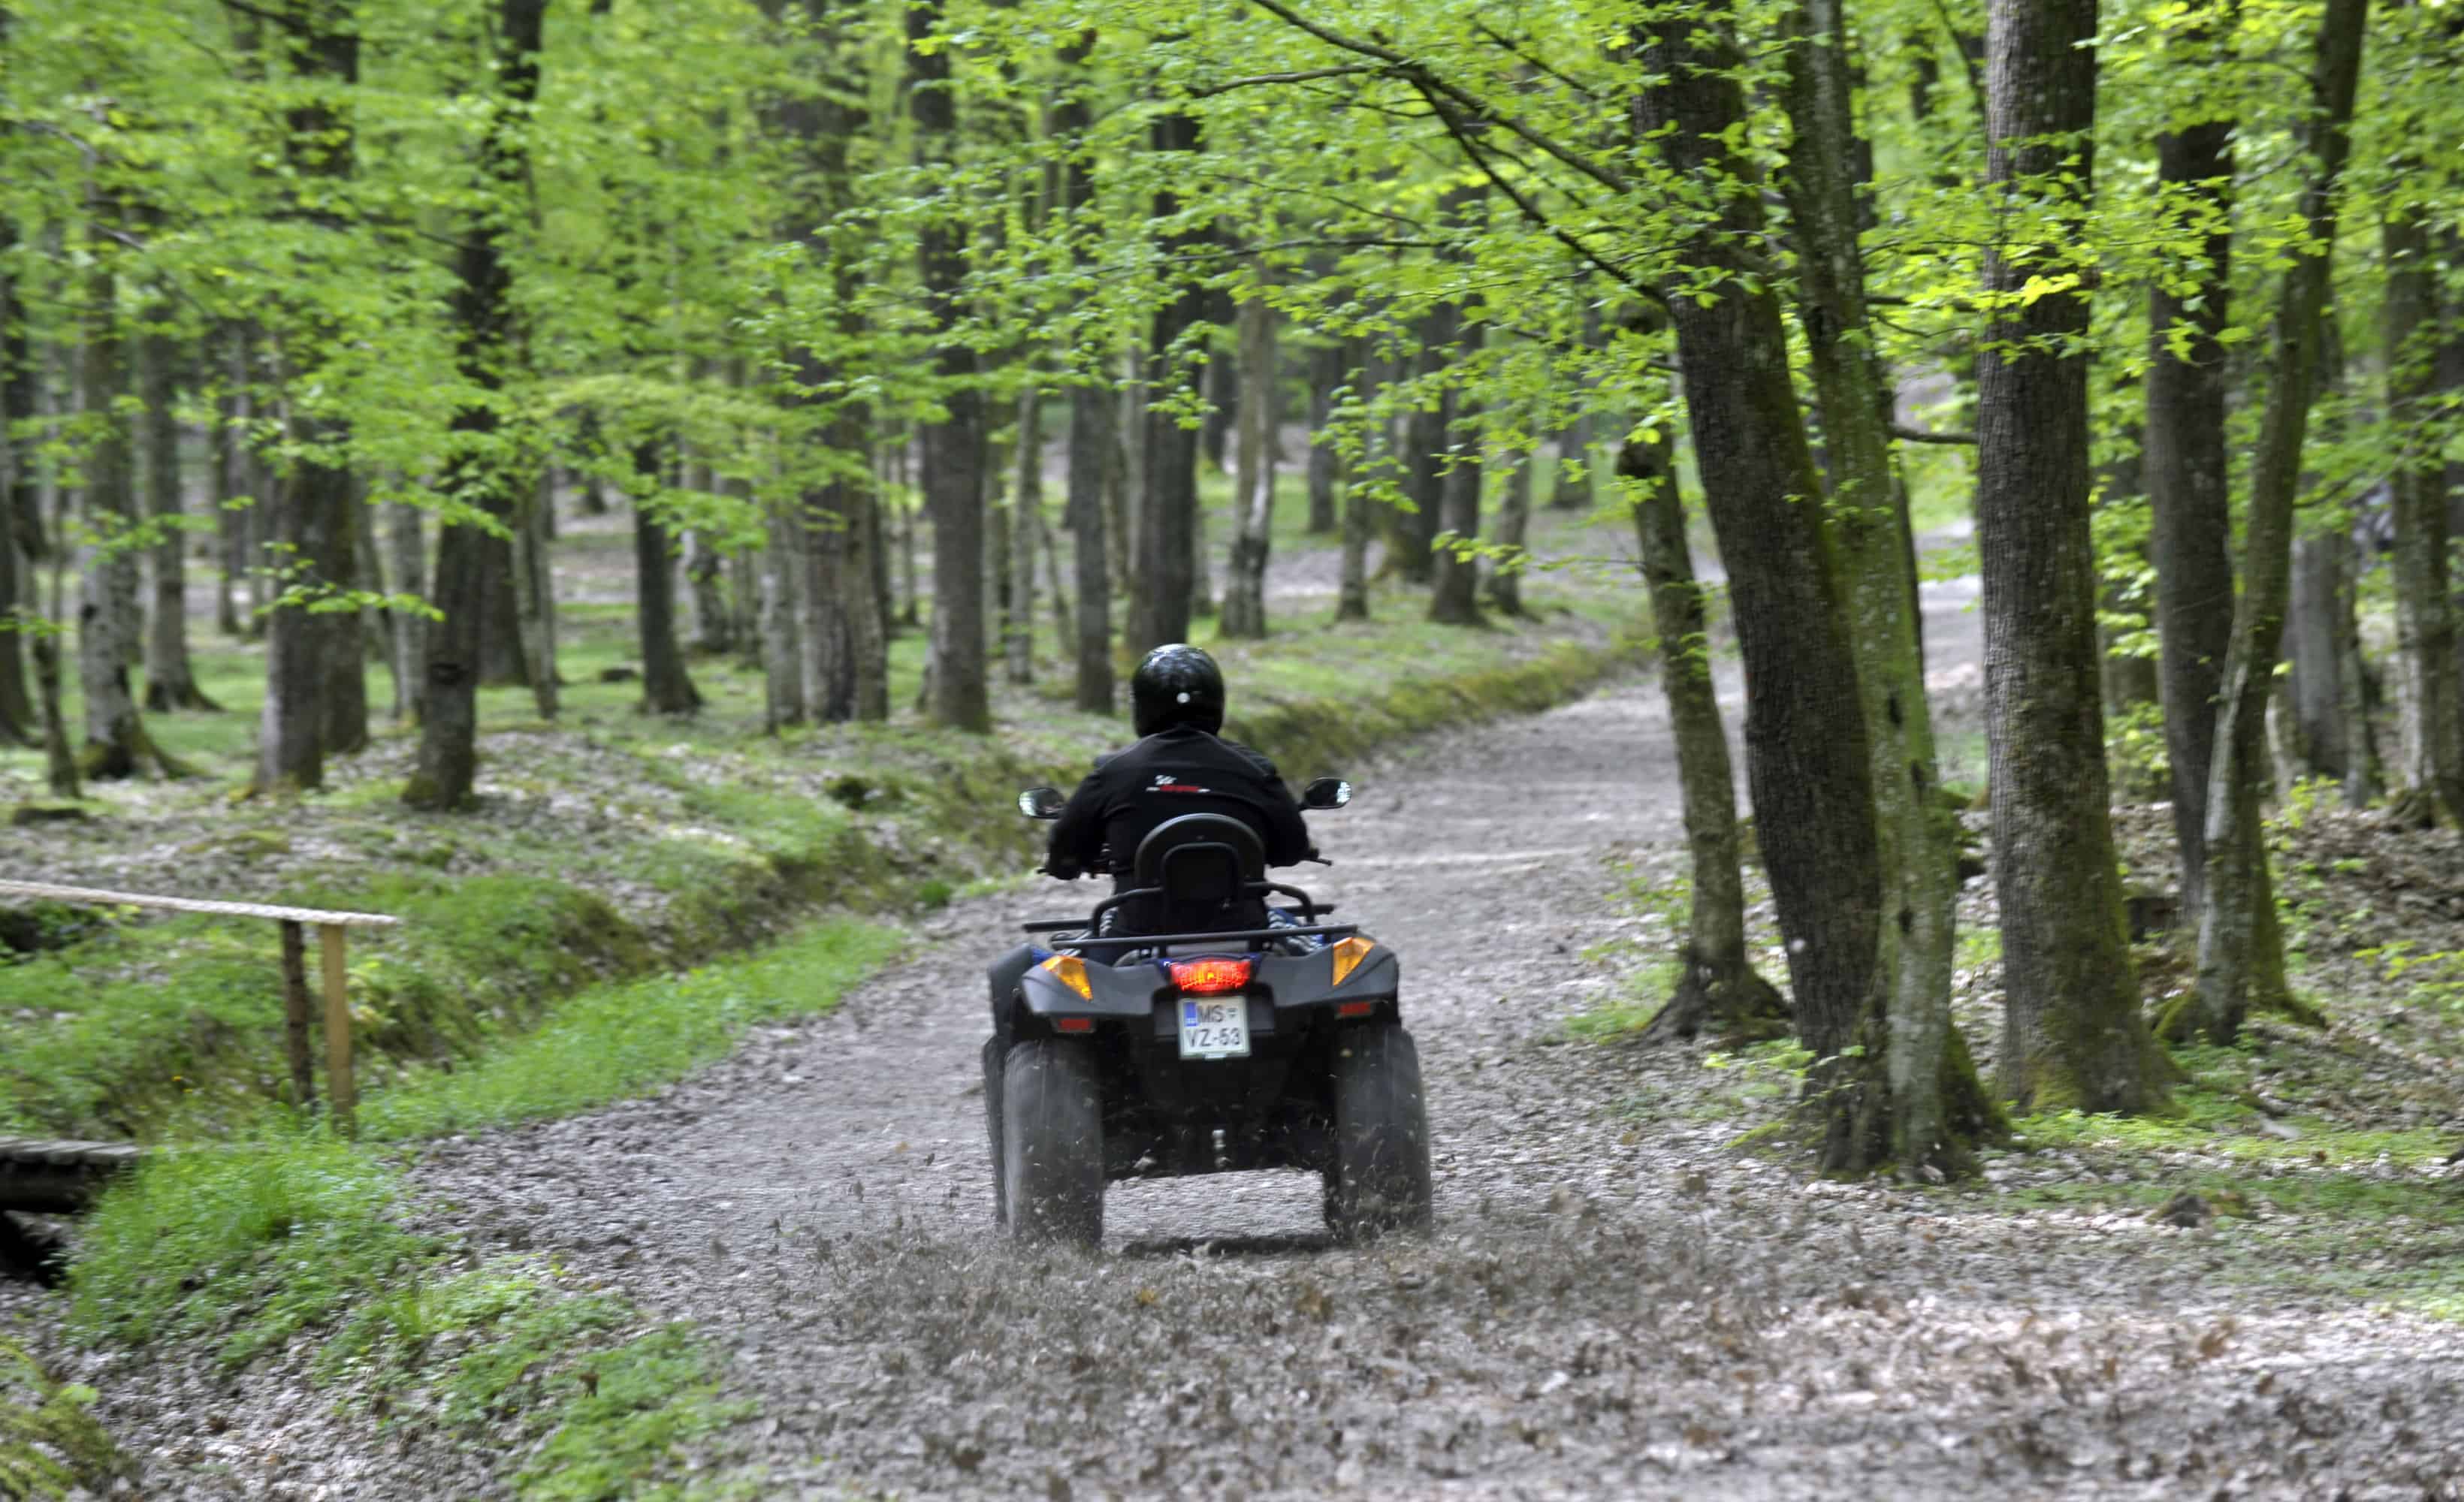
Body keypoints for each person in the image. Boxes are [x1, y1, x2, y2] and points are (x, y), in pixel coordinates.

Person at [1044, 644, 1314, 930]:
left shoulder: (1113, 771)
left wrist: (1067, 863)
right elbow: (1291, 849)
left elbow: (1066, 849)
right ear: (1217, 701)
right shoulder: (1255, 770)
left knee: (1046, 967)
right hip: (1243, 928)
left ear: (1141, 705)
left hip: (1138, 931)